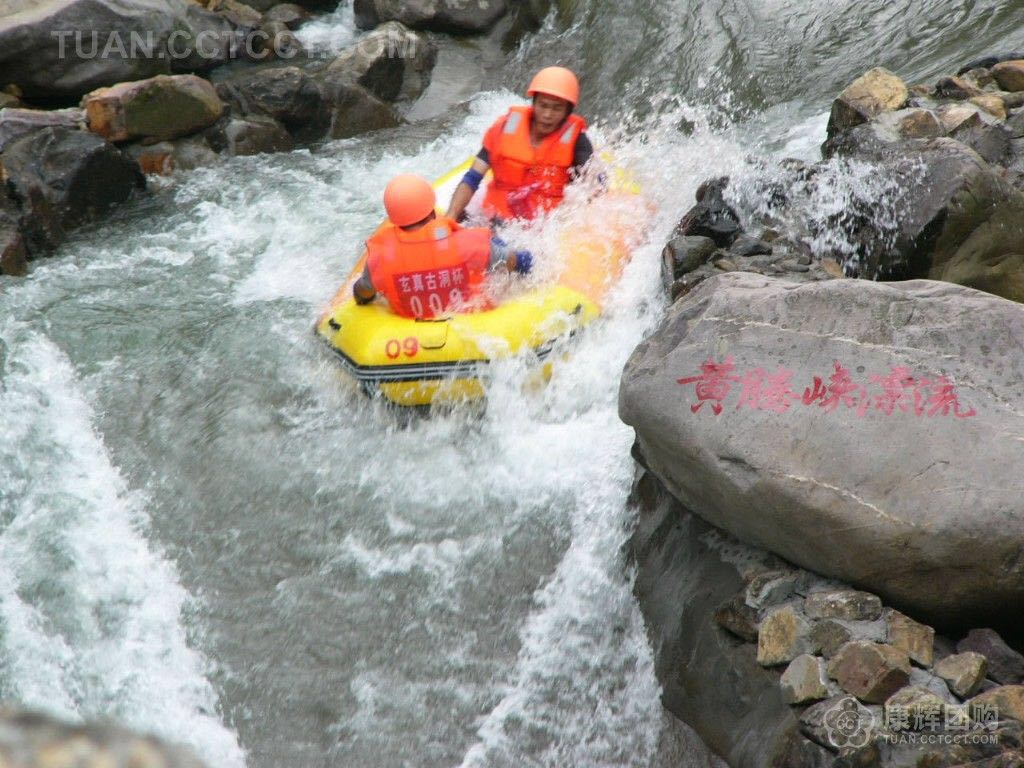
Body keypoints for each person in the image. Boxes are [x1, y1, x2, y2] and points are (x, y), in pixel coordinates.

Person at [353, 174, 532, 319]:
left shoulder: (381, 259)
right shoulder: (466, 244)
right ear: (432, 212)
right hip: (469, 326)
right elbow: (515, 261)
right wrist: (527, 261)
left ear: (394, 220)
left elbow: (362, 293)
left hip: (411, 334)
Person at [446, 66, 594, 223]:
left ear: (568, 111)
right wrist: (451, 216)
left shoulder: (579, 142)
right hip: (496, 216)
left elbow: (593, 191)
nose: (547, 115)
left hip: (545, 225)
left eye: (557, 108)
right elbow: (473, 177)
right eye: (543, 105)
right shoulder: (505, 128)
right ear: (534, 103)